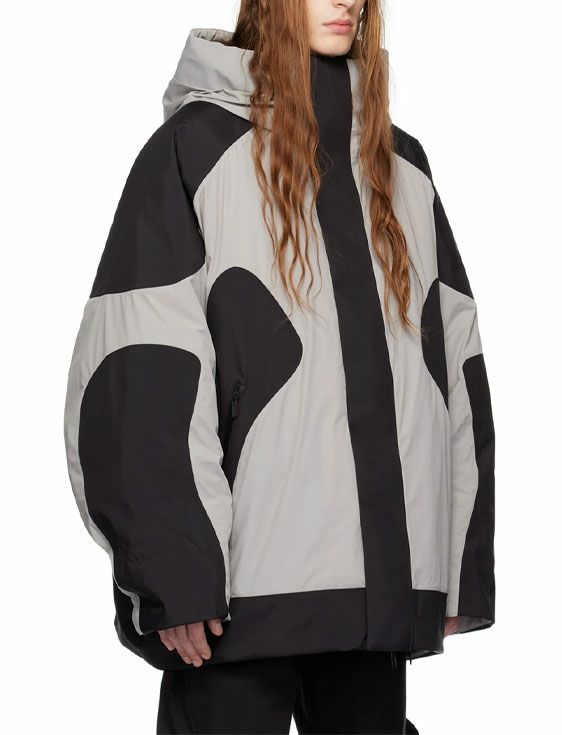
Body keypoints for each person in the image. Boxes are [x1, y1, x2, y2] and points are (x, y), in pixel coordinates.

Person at [63, 1, 496, 733]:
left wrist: (461, 562)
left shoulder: (403, 167)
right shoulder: (198, 149)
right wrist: (174, 572)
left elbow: (456, 368)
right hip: (236, 595)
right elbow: (137, 373)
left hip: (378, 594)